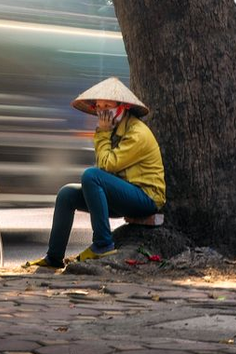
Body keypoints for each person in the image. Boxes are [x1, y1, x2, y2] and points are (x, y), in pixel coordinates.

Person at [25, 76, 166, 268]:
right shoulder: (114, 130)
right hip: (123, 195)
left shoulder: (136, 133)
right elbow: (104, 167)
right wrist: (105, 133)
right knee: (66, 194)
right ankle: (54, 257)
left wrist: (103, 132)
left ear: (122, 107)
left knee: (91, 176)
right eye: (99, 107)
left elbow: (105, 166)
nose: (102, 112)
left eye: (108, 105)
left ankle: (103, 244)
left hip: (145, 198)